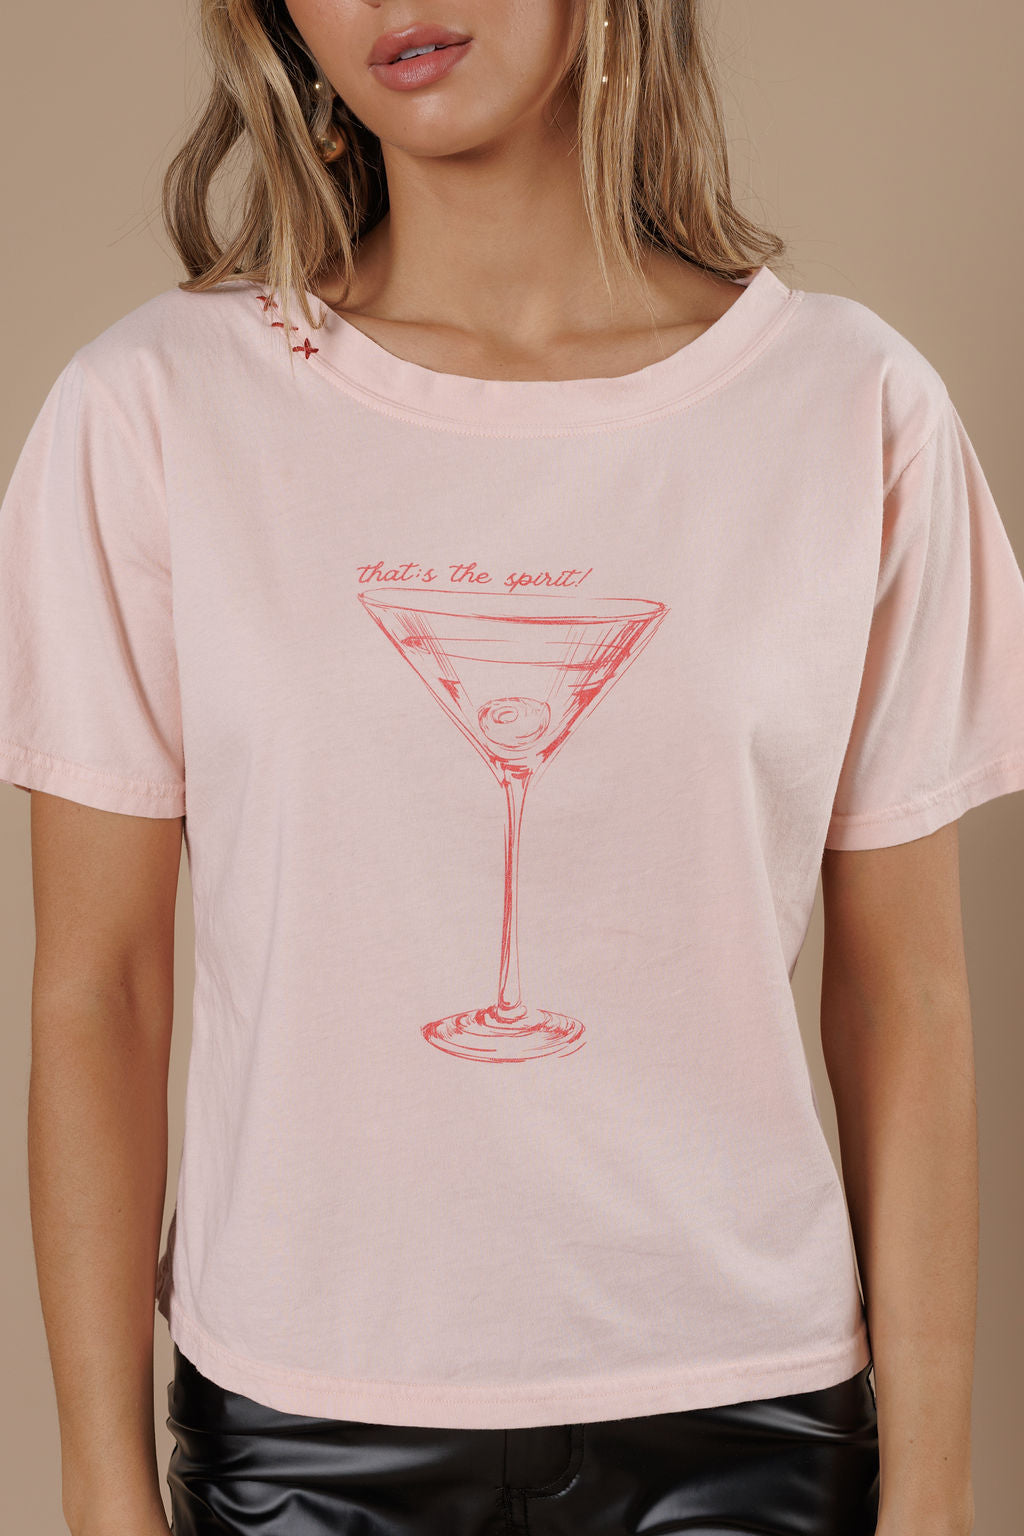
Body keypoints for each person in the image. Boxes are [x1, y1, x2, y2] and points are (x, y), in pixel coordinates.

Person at [2, 1, 1020, 1532]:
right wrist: (101, 1489)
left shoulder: (851, 407)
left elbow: (908, 1001)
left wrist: (934, 1494)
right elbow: (102, 989)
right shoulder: (152, 407)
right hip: (306, 1421)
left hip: (748, 1415)